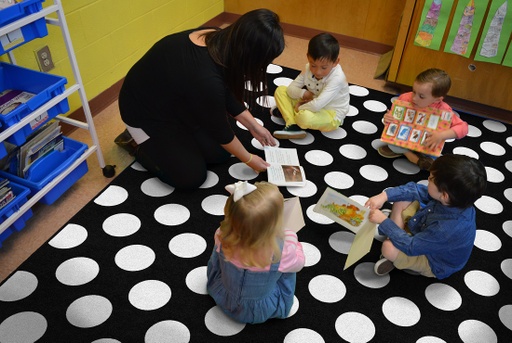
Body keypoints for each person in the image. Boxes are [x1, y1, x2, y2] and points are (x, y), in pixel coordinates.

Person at [116, 9, 283, 189]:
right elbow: (220, 130)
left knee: (220, 154)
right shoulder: (205, 78)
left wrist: (253, 126)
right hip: (144, 114)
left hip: (178, 101)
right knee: (191, 177)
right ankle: (134, 142)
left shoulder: (218, 38)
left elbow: (225, 90)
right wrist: (249, 159)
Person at [365, 154, 487, 279]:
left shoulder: (446, 229)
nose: (428, 179)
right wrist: (384, 196)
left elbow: (412, 246)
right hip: (426, 232)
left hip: (433, 260)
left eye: (431, 179)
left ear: (444, 195)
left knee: (388, 248)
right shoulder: (454, 200)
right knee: (403, 198)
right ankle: (396, 236)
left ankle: (396, 251)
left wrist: (384, 222)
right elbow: (416, 190)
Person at [207, 181, 305, 324]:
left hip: (223, 297)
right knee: (289, 268)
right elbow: (300, 263)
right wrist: (291, 236)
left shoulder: (222, 235)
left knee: (217, 254)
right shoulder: (282, 250)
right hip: (259, 310)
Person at [378, 68, 468, 170]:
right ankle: (414, 158)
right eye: (414, 91)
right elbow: (395, 117)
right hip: (404, 138)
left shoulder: (444, 110)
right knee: (391, 142)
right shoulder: (405, 98)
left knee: (435, 154)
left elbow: (463, 128)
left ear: (437, 99)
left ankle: (409, 154)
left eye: (421, 96)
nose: (414, 98)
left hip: (425, 144)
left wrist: (441, 135)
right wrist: (388, 117)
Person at [272, 33, 350, 139]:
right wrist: (304, 93)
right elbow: (291, 89)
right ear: (308, 57)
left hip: (331, 113)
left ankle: (290, 115)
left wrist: (299, 108)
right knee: (281, 90)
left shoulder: (338, 78)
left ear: (336, 62)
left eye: (324, 67)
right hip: (311, 101)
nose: (317, 72)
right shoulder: (308, 68)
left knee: (304, 118)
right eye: (313, 65)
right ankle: (293, 125)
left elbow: (316, 106)